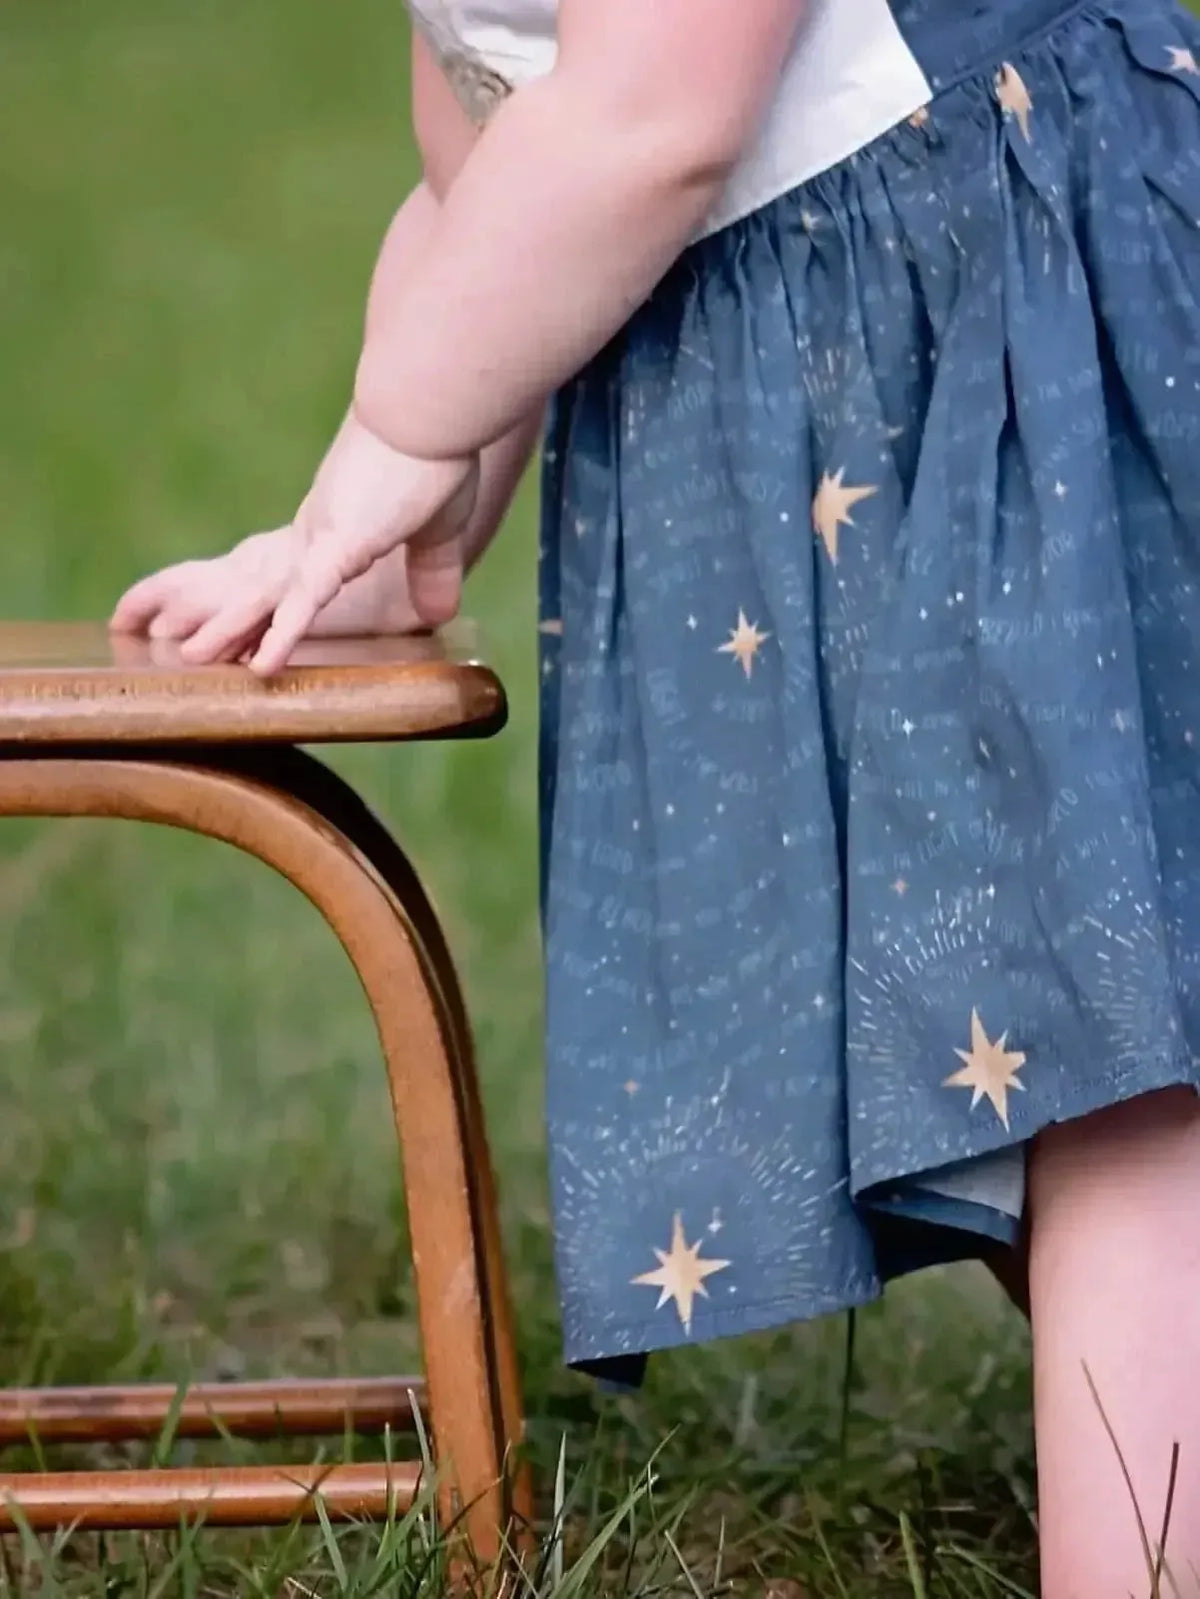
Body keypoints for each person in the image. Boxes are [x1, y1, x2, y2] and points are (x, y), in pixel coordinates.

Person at [111, 0, 1200, 1589]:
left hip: (1010, 300)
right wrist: (393, 525)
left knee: (1106, 1055)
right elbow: (489, 182)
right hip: (857, 359)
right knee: (1014, 1020)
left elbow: (655, 112)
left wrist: (391, 444)